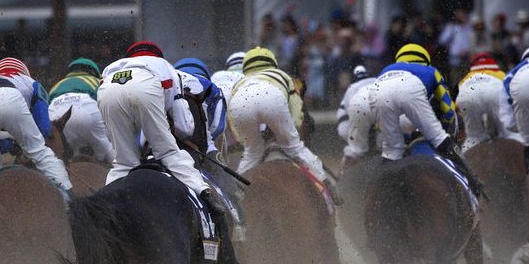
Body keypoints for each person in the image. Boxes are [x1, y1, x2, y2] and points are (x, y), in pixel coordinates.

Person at [98, 41, 222, 213]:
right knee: (169, 153)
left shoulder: (112, 67)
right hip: (145, 88)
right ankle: (205, 195)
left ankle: (105, 208)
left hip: (107, 89)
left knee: (123, 163)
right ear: (157, 56)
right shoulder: (166, 68)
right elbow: (184, 127)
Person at [370, 43, 484, 197]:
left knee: (392, 151)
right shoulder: (431, 71)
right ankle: (473, 181)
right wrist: (446, 132)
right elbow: (449, 110)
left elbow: (379, 126)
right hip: (410, 93)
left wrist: (398, 139)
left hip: (378, 90)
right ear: (425, 60)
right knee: (439, 138)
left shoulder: (385, 71)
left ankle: (375, 193)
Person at [228, 47, 340, 201]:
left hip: (240, 100)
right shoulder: (282, 76)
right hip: (271, 96)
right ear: (273, 64)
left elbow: (235, 125)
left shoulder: (240, 83)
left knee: (251, 153)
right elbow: (296, 115)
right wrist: (287, 132)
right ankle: (327, 185)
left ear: (246, 68)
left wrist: (250, 141)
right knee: (294, 147)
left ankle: (236, 196)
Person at [0, 56, 72, 193]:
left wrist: (11, 145)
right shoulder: (31, 82)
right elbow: (45, 129)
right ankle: (68, 200)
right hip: (9, 95)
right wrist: (22, 144)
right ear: (24, 72)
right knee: (42, 154)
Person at [47, 57, 114, 163]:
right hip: (86, 107)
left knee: (63, 158)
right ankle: (122, 173)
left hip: (56, 112)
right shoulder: (98, 81)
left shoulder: (58, 84)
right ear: (95, 72)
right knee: (107, 149)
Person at [456, 53, 519, 151]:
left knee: (474, 137)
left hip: (468, 91)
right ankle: (525, 158)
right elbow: (511, 96)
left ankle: (465, 163)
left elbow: (457, 106)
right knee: (507, 133)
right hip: (494, 91)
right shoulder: (501, 74)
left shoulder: (466, 78)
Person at [337, 64, 377, 165]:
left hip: (358, 112)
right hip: (381, 110)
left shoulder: (350, 89)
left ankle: (343, 176)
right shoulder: (377, 80)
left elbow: (344, 130)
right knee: (389, 147)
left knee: (354, 150)